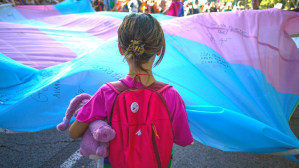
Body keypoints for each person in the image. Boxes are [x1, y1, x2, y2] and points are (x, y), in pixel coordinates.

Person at [69, 13, 193, 168]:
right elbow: (184, 140)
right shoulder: (171, 95)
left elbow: (73, 132)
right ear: (159, 50)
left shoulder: (107, 92)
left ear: (121, 49)